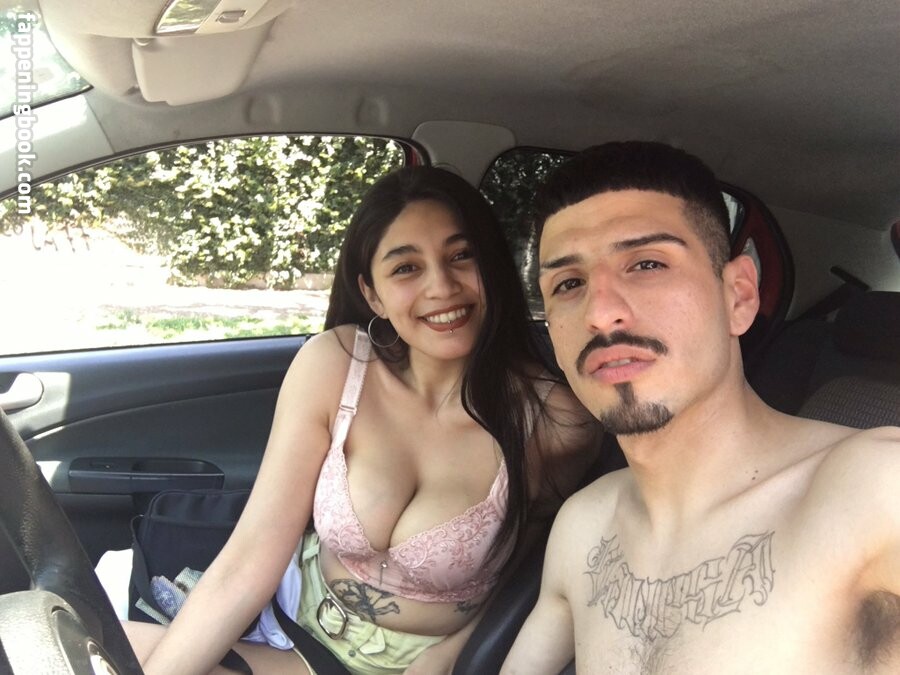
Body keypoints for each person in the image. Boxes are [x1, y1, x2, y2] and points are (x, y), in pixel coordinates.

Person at [125, 165, 600, 675]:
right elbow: (250, 558)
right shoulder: (337, 365)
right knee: (92, 642)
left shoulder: (553, 421)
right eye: (406, 268)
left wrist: (450, 657)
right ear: (373, 294)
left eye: (461, 256)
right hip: (288, 616)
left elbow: (534, 566)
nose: (442, 286)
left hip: (404, 666)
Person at [502, 141, 900, 674]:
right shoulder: (583, 526)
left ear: (739, 296)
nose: (600, 312)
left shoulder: (874, 489)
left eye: (647, 263)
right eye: (569, 283)